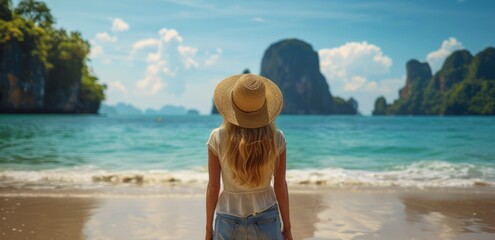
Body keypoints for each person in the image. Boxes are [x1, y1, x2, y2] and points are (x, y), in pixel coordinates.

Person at [205, 74, 293, 240]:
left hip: (227, 219)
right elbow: (280, 186)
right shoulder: (277, 138)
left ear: (232, 105)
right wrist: (287, 228)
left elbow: (214, 187)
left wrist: (208, 230)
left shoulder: (217, 137)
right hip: (267, 217)